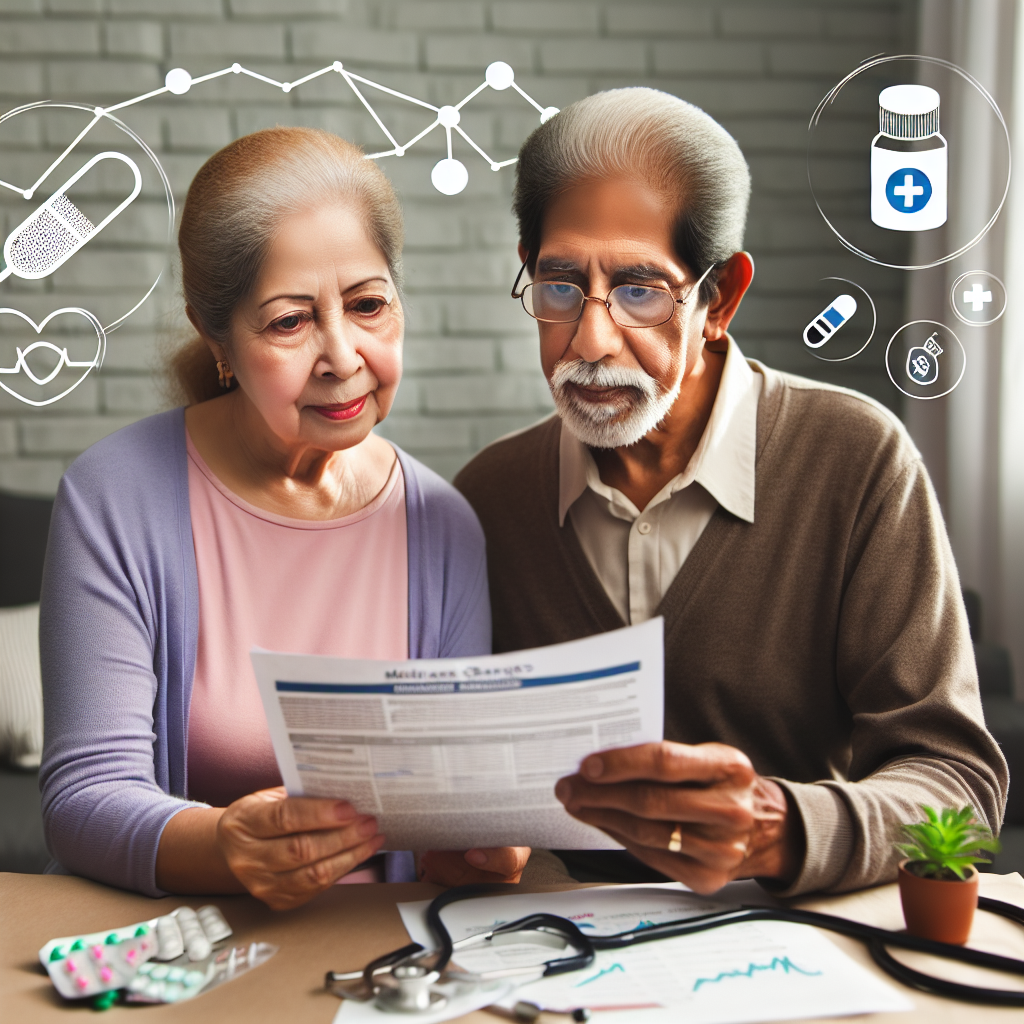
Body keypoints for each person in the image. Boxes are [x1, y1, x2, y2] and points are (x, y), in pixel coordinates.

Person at [454, 88, 1007, 896]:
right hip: (545, 937)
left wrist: (781, 830)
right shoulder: (489, 497)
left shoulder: (856, 461)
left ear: (721, 298)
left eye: (641, 289)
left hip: (784, 933)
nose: (589, 340)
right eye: (560, 284)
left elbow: (957, 783)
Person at [39, 128, 528, 909]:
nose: (344, 357)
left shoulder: (444, 523)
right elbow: (83, 799)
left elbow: (447, 808)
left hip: (381, 947)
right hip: (186, 944)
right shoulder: (115, 495)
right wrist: (225, 847)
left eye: (368, 305)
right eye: (290, 322)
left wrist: (471, 845)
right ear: (217, 337)